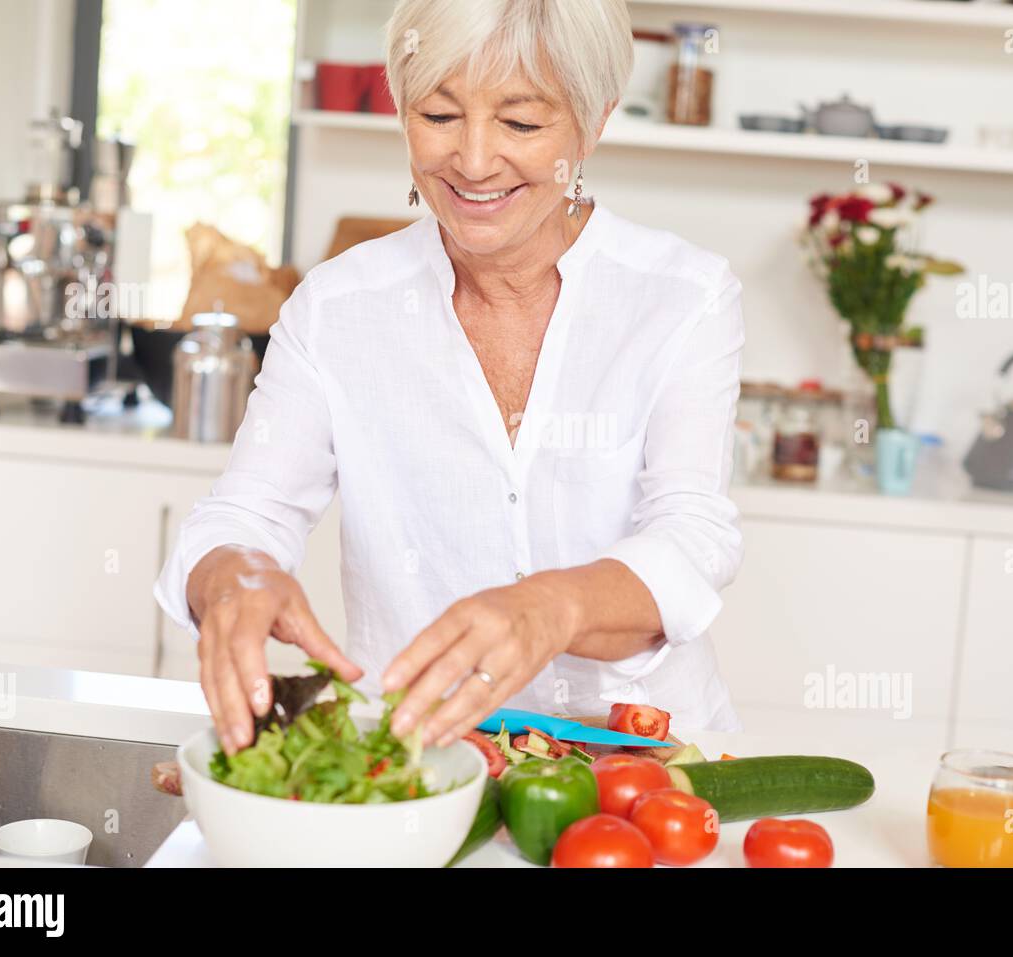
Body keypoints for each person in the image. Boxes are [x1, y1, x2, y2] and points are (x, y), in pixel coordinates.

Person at [154, 0, 745, 756]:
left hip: (642, 764)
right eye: (438, 115)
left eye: (521, 124)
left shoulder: (683, 296)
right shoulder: (337, 309)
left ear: (592, 124)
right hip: (423, 761)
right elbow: (242, 515)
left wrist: (549, 607)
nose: (472, 159)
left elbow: (692, 536)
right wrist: (231, 576)